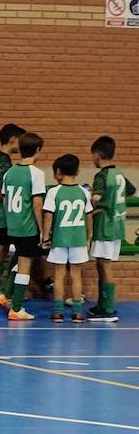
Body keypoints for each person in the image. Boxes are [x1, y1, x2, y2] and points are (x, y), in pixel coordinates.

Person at [41, 154, 93, 323]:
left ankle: (58, 312)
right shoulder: (84, 192)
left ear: (59, 171)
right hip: (78, 239)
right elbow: (89, 216)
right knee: (76, 275)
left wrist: (45, 236)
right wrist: (88, 235)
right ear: (78, 171)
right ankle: (77, 313)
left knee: (58, 275)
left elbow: (48, 215)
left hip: (60, 238)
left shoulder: (54, 192)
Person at [1, 132, 47, 321]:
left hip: (13, 225)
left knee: (19, 259)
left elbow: (4, 200)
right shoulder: (36, 173)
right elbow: (37, 203)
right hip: (28, 227)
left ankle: (6, 295)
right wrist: (42, 228)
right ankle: (17, 308)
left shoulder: (9, 172)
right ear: (37, 150)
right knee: (25, 265)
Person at [87, 135, 132, 322]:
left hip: (105, 225)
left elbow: (96, 198)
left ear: (97, 154)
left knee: (105, 266)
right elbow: (131, 190)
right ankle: (103, 304)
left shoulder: (102, 175)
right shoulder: (120, 175)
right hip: (117, 225)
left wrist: (90, 196)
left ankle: (109, 309)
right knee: (102, 264)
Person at [0, 123, 27, 305]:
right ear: (12, 140)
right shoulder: (4, 162)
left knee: (2, 249)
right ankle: (0, 291)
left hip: (2, 214)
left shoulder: (1, 160)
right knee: (10, 250)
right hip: (6, 215)